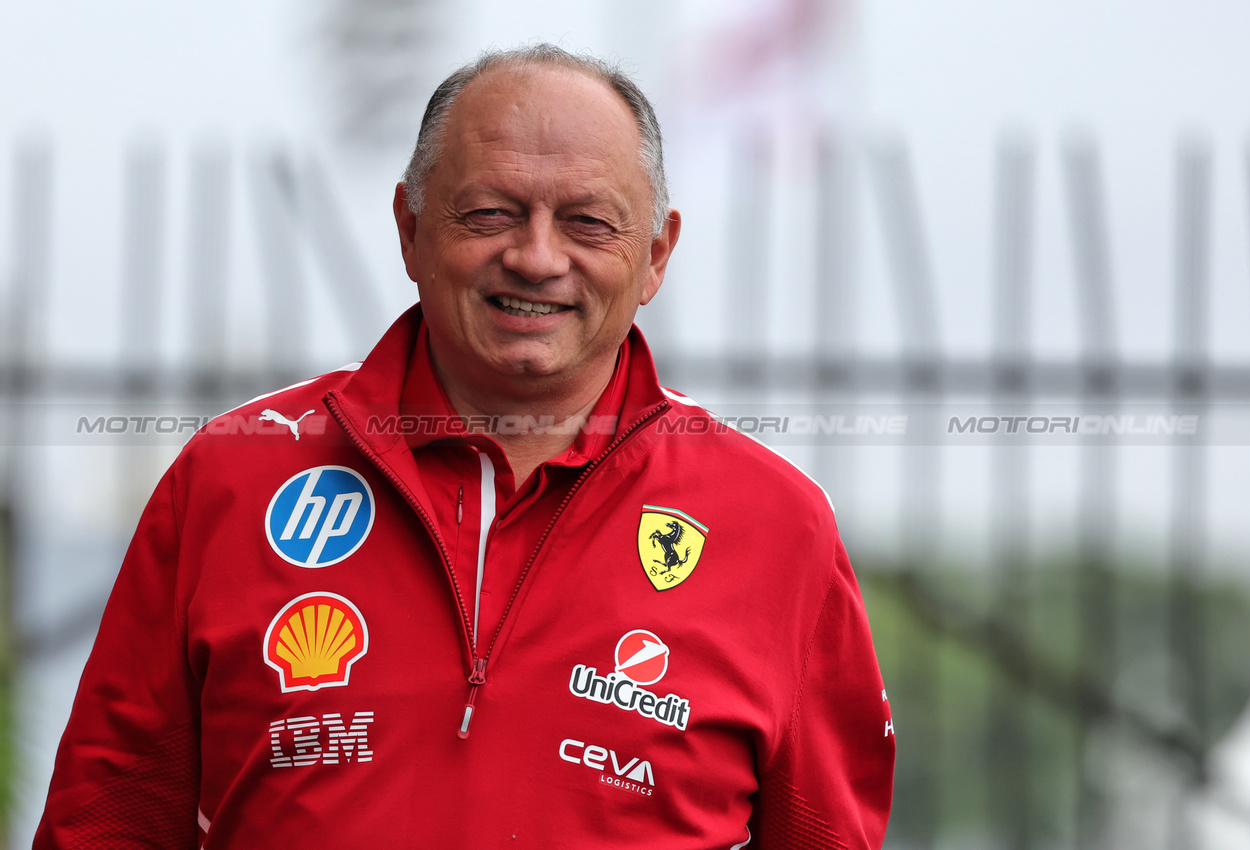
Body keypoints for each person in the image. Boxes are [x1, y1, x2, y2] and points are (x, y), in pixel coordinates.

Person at [36, 44, 894, 848]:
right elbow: (104, 822)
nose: (535, 256)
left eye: (589, 223)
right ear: (410, 229)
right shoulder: (230, 479)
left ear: (656, 256)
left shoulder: (775, 525)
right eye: (490, 212)